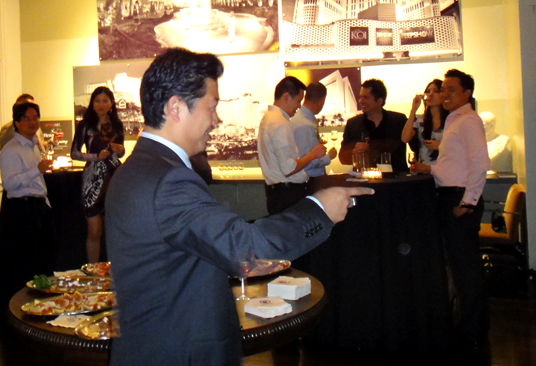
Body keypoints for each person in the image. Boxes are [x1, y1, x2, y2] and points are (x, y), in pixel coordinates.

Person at [104, 48, 373, 366]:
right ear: (176, 107)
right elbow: (244, 249)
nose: (216, 121)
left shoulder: (137, 168)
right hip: (179, 351)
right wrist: (319, 209)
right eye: (211, 107)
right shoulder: (168, 179)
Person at [410, 69, 491, 356]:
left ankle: (473, 333)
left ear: (467, 94)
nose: (445, 94)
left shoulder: (469, 120)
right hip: (449, 196)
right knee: (459, 268)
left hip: (459, 200)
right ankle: (467, 328)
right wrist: (429, 168)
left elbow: (480, 164)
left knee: (467, 270)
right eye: (443, 89)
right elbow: (454, 165)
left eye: (451, 89)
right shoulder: (454, 120)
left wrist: (467, 203)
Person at [0, 100, 57, 311]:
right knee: (26, 261)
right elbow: (9, 184)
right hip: (23, 210)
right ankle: (23, 306)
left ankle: (41, 299)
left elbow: (38, 183)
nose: (32, 122)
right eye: (26, 118)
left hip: (39, 208)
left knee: (42, 258)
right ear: (17, 123)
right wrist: (37, 170)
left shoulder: (34, 145)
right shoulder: (11, 150)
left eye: (35, 117)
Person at [71, 86, 125, 264]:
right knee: (94, 230)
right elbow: (74, 153)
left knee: (115, 229)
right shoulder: (85, 125)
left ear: (111, 104)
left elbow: (120, 153)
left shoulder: (117, 125)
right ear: (92, 104)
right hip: (93, 179)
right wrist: (95, 156)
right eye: (97, 101)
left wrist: (120, 150)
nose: (101, 105)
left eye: (105, 101)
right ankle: (93, 271)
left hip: (114, 177)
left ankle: (115, 270)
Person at [258, 76, 327, 214]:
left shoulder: (268, 118)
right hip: (287, 193)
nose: (299, 106)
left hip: (276, 193)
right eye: (298, 101)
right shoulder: (280, 123)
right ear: (286, 97)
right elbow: (289, 168)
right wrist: (313, 154)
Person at [339, 78, 409, 172]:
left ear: (379, 101)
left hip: (397, 178)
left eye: (365, 97)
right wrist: (354, 152)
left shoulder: (399, 121)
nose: (360, 101)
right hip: (365, 179)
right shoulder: (353, 124)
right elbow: (342, 158)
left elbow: (417, 146)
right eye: (360, 97)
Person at [291, 82, 337, 189]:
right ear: (322, 100)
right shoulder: (304, 125)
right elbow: (305, 162)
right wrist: (328, 157)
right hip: (310, 183)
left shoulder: (304, 119)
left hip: (309, 182)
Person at [402, 79, 449, 165]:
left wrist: (441, 145)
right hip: (423, 168)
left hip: (445, 167)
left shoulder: (451, 120)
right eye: (428, 91)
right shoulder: (420, 120)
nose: (430, 94)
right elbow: (405, 138)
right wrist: (413, 110)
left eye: (436, 91)